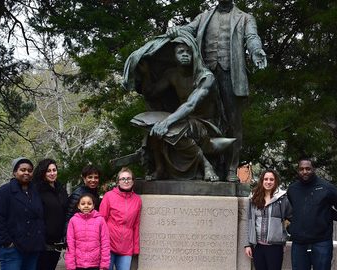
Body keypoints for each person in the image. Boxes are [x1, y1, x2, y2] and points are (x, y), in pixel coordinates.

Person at [167, 0, 267, 181]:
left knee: (233, 123)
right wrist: (175, 30)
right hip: (205, 73)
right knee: (204, 119)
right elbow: (187, 30)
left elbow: (252, 37)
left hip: (231, 74)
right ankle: (206, 166)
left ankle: (230, 169)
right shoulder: (204, 16)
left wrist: (256, 51)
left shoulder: (245, 18)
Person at [123, 30, 234, 181]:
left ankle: (206, 164)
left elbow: (190, 104)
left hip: (205, 124)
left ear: (194, 54)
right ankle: (160, 168)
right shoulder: (172, 74)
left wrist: (167, 122)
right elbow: (151, 93)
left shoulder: (206, 77)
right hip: (183, 120)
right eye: (180, 51)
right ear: (173, 56)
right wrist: (147, 73)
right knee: (152, 127)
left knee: (175, 129)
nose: (185, 54)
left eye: (188, 51)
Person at [287, 158, 337, 270]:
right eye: (301, 169)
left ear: (313, 169)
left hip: (321, 241)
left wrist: (329, 215)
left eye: (308, 169)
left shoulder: (327, 187)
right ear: (298, 171)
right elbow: (294, 210)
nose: (304, 172)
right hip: (299, 243)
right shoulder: (292, 189)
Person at [0, 157, 45, 270]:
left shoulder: (35, 192)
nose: (26, 173)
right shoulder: (4, 191)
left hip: (32, 248)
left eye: (29, 170)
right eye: (23, 170)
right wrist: (7, 242)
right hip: (12, 249)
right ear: (15, 172)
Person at [244, 169, 292, 270]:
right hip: (257, 246)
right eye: (266, 179)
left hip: (275, 246)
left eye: (271, 179)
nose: (268, 182)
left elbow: (292, 218)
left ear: (275, 182)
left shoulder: (282, 199)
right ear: (262, 181)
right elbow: (248, 222)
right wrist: (247, 244)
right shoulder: (254, 198)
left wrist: (285, 235)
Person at [99, 167, 142, 270]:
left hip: (126, 248)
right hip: (108, 245)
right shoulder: (109, 196)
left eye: (129, 178)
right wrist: (99, 243)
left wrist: (135, 248)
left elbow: (136, 225)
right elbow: (101, 221)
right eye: (123, 179)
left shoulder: (137, 200)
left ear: (133, 181)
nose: (126, 181)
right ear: (118, 182)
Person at [33, 158, 68, 270]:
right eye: (48, 171)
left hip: (57, 243)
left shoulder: (61, 189)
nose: (52, 173)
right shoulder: (37, 190)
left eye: (54, 170)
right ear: (43, 172)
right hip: (42, 244)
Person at [65, 193, 110, 270]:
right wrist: (70, 265)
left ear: (93, 205)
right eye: (83, 204)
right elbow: (70, 244)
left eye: (89, 203)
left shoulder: (100, 220)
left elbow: (105, 243)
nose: (86, 206)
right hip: (78, 264)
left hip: (95, 264)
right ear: (78, 206)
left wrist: (104, 264)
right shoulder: (73, 221)